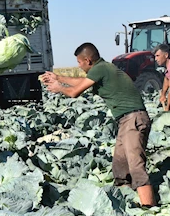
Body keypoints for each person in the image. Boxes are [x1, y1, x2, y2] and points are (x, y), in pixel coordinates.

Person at [41, 43, 157, 207]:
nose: (79, 66)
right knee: (120, 166)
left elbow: (75, 92)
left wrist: (59, 87)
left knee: (135, 165)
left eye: (80, 62)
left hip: (133, 119)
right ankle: (126, 201)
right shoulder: (103, 69)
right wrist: (58, 78)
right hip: (126, 121)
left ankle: (149, 208)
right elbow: (82, 82)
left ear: (88, 60)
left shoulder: (100, 68)